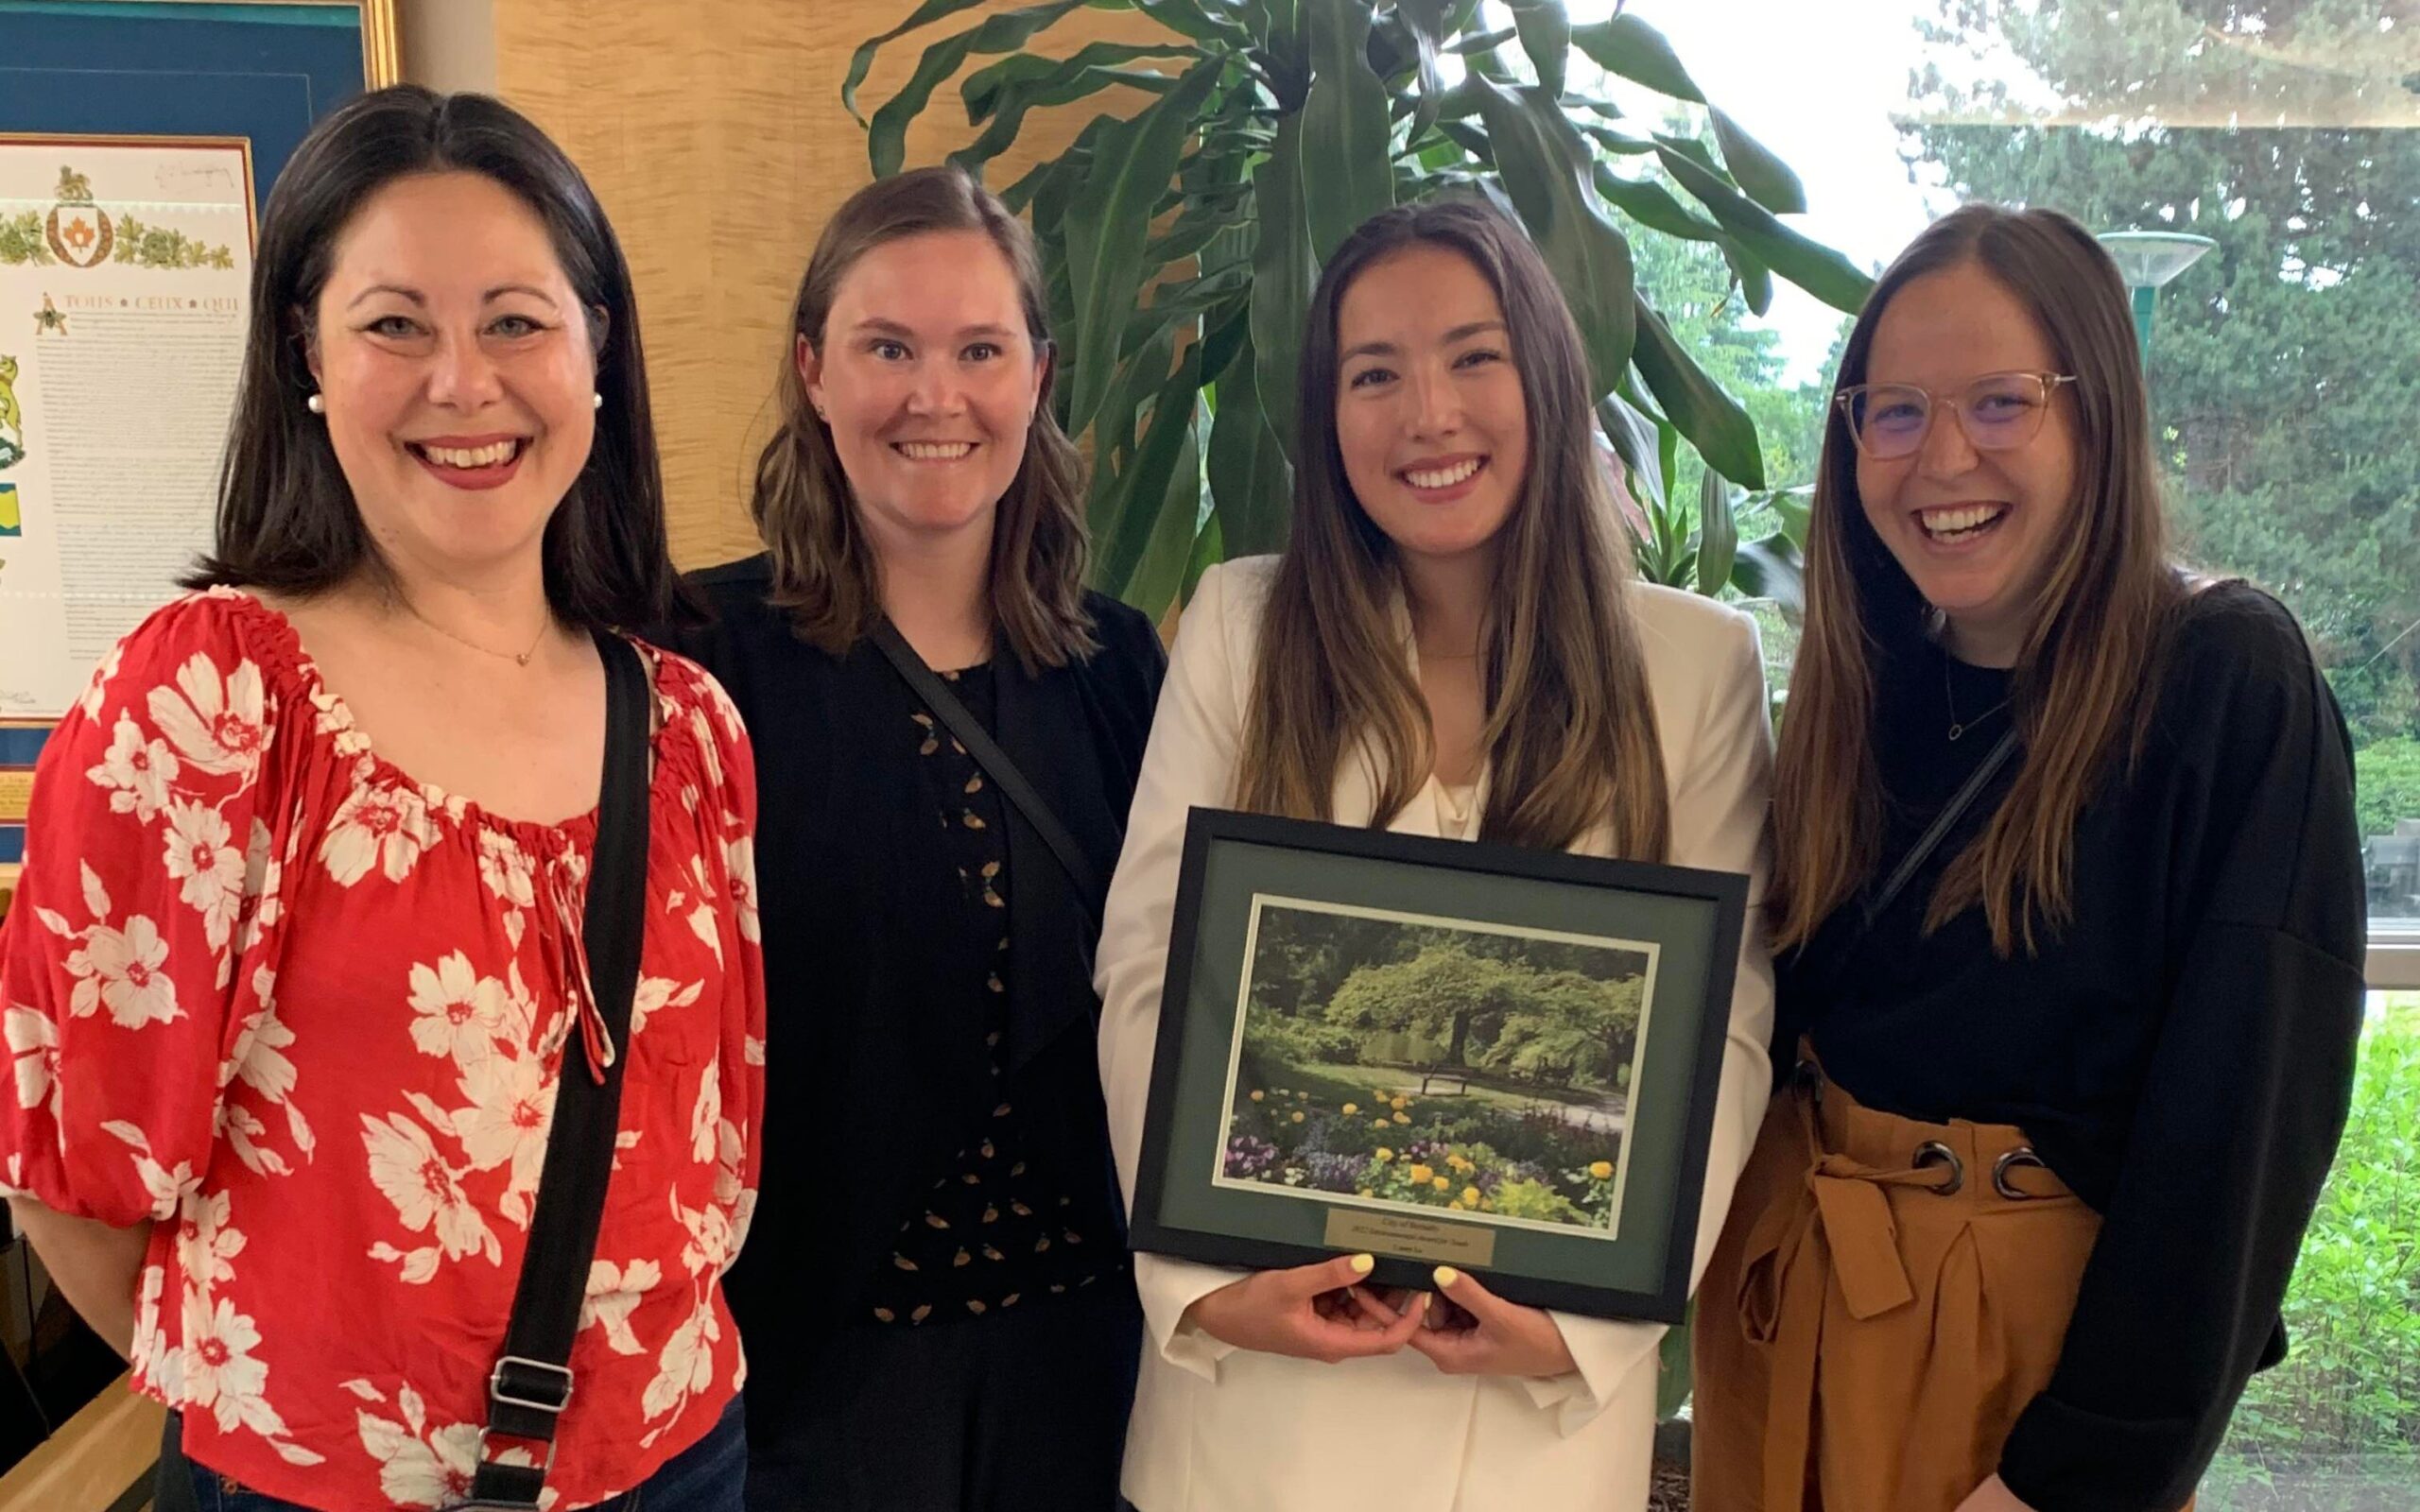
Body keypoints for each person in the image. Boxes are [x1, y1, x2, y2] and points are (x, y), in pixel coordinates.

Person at [0, 86, 765, 1511]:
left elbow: (712, 1150)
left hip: (676, 1462)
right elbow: (70, 1185)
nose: (463, 383)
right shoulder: (212, 707)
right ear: (306, 354)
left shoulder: (688, 728)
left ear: (600, 352)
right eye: (395, 323)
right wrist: (307, 1419)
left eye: (519, 320)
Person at [1092, 198, 1776, 1512]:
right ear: (1324, 412)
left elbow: (1724, 1031)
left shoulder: (1695, 668)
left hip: (1531, 1420)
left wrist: (1593, 1325)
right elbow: (1149, 967)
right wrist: (1205, 1282)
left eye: (1474, 356)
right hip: (1258, 1412)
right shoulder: (1242, 625)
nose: (1429, 415)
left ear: (1548, 370)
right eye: (1374, 374)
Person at [1691, 204, 2367, 1512]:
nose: (1941, 459)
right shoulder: (1869, 684)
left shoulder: (2225, 678)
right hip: (1792, 1300)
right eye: (1893, 413)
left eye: (2001, 403)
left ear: (2098, 413)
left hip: (2023, 1364)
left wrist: (2083, 1470)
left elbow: (2242, 1127)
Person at [670, 165, 1164, 1512]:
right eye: (889, 347)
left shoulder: (1119, 663)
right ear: (814, 370)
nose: (935, 395)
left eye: (979, 351)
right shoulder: (695, 664)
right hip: (817, 1377)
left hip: (1086, 1365)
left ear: (1039, 376)